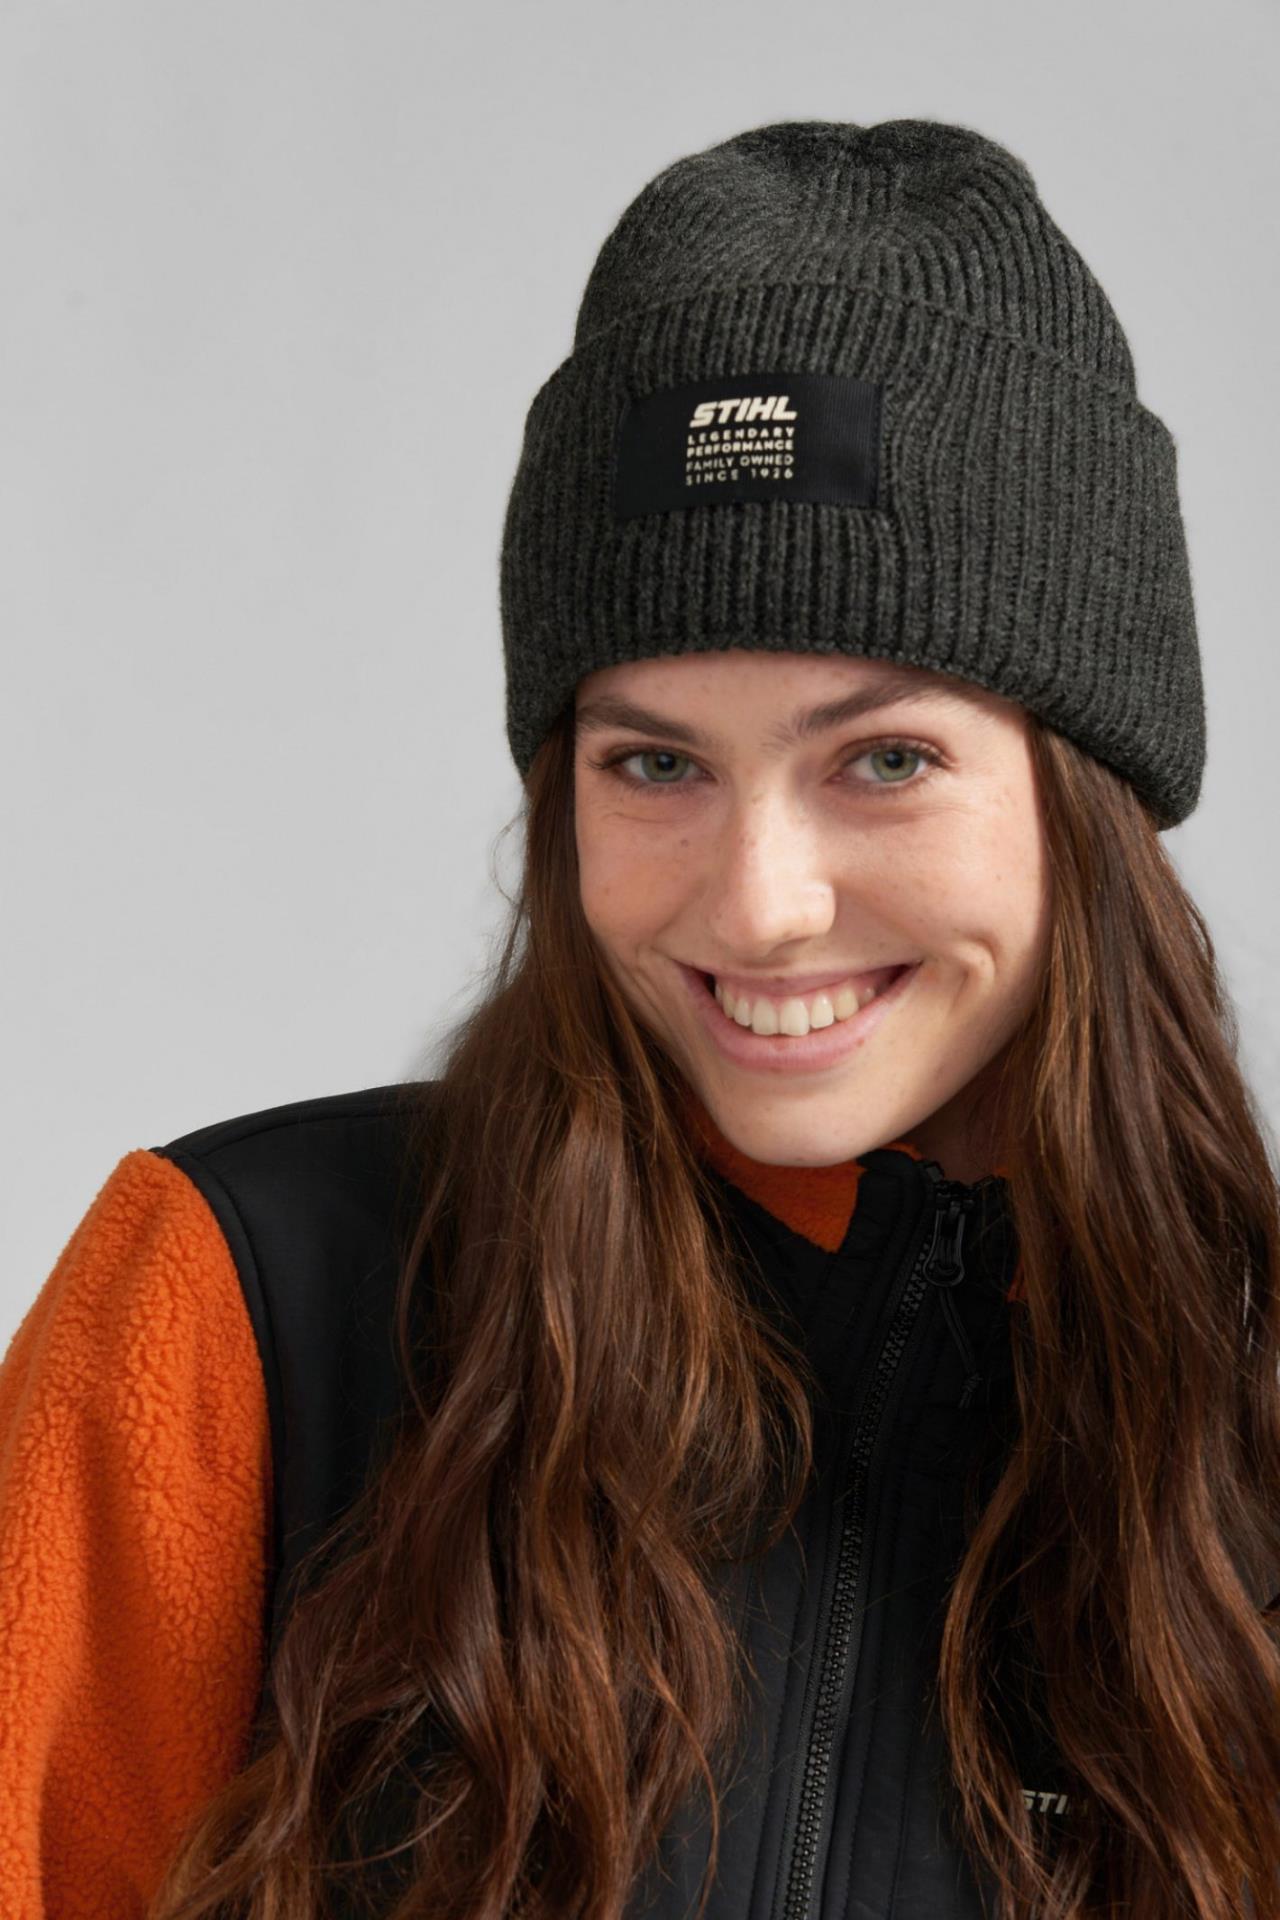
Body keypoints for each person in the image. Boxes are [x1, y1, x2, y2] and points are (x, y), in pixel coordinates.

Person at [4, 117, 1280, 1920]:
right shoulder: (242, 1309)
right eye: (656, 764)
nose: (758, 904)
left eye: (885, 760)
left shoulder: (1249, 1413)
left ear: (1088, 797)